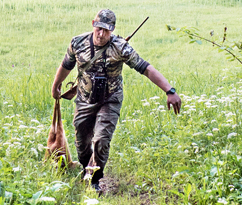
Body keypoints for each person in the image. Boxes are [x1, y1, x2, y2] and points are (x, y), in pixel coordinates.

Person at [51, 9, 181, 191]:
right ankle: (85, 168)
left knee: (101, 141)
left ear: (112, 30)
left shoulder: (120, 47)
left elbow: (146, 68)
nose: (102, 34)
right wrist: (56, 85)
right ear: (93, 24)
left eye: (106, 30)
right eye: (99, 28)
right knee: (82, 142)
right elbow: (66, 64)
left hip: (109, 100)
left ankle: (94, 180)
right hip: (84, 99)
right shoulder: (78, 42)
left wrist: (170, 90)